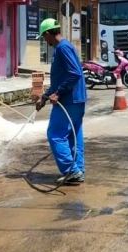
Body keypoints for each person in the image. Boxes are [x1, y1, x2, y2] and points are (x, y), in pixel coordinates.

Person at [35, 18, 87, 185]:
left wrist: (58, 93)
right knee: (73, 135)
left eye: (44, 37)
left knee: (55, 135)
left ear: (49, 34)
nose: (45, 41)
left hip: (69, 100)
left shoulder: (63, 48)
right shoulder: (64, 47)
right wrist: (45, 97)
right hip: (76, 99)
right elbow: (61, 77)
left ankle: (71, 171)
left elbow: (74, 73)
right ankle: (77, 170)